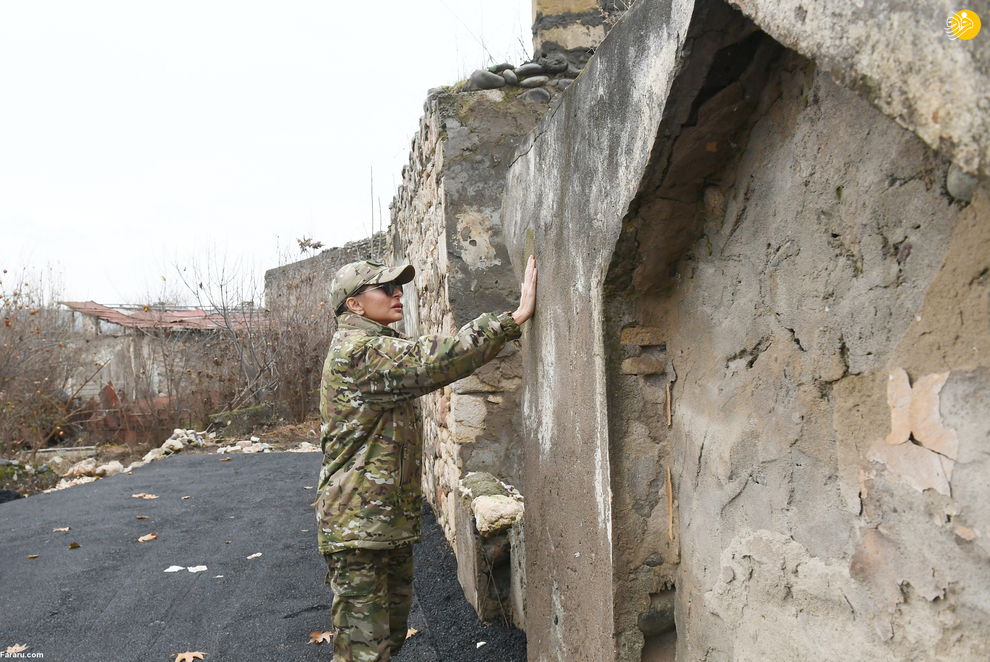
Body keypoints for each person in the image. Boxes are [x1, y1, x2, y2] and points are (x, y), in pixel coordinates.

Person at [317, 255, 537, 662]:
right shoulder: (359, 353)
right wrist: (513, 318)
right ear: (354, 304)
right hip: (359, 527)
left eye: (398, 286)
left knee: (386, 642)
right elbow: (436, 358)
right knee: (363, 653)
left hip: (379, 524)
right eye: (385, 288)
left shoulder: (377, 346)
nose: (397, 293)